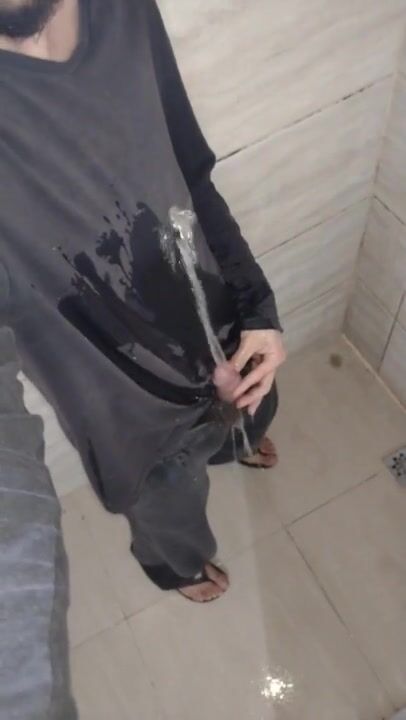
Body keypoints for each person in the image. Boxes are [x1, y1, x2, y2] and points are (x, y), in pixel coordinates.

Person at [0, 0, 286, 603]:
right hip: (119, 409)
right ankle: (175, 570)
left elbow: (190, 169)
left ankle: (235, 443)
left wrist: (257, 307)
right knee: (169, 510)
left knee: (253, 411)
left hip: (221, 329)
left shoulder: (121, 9)